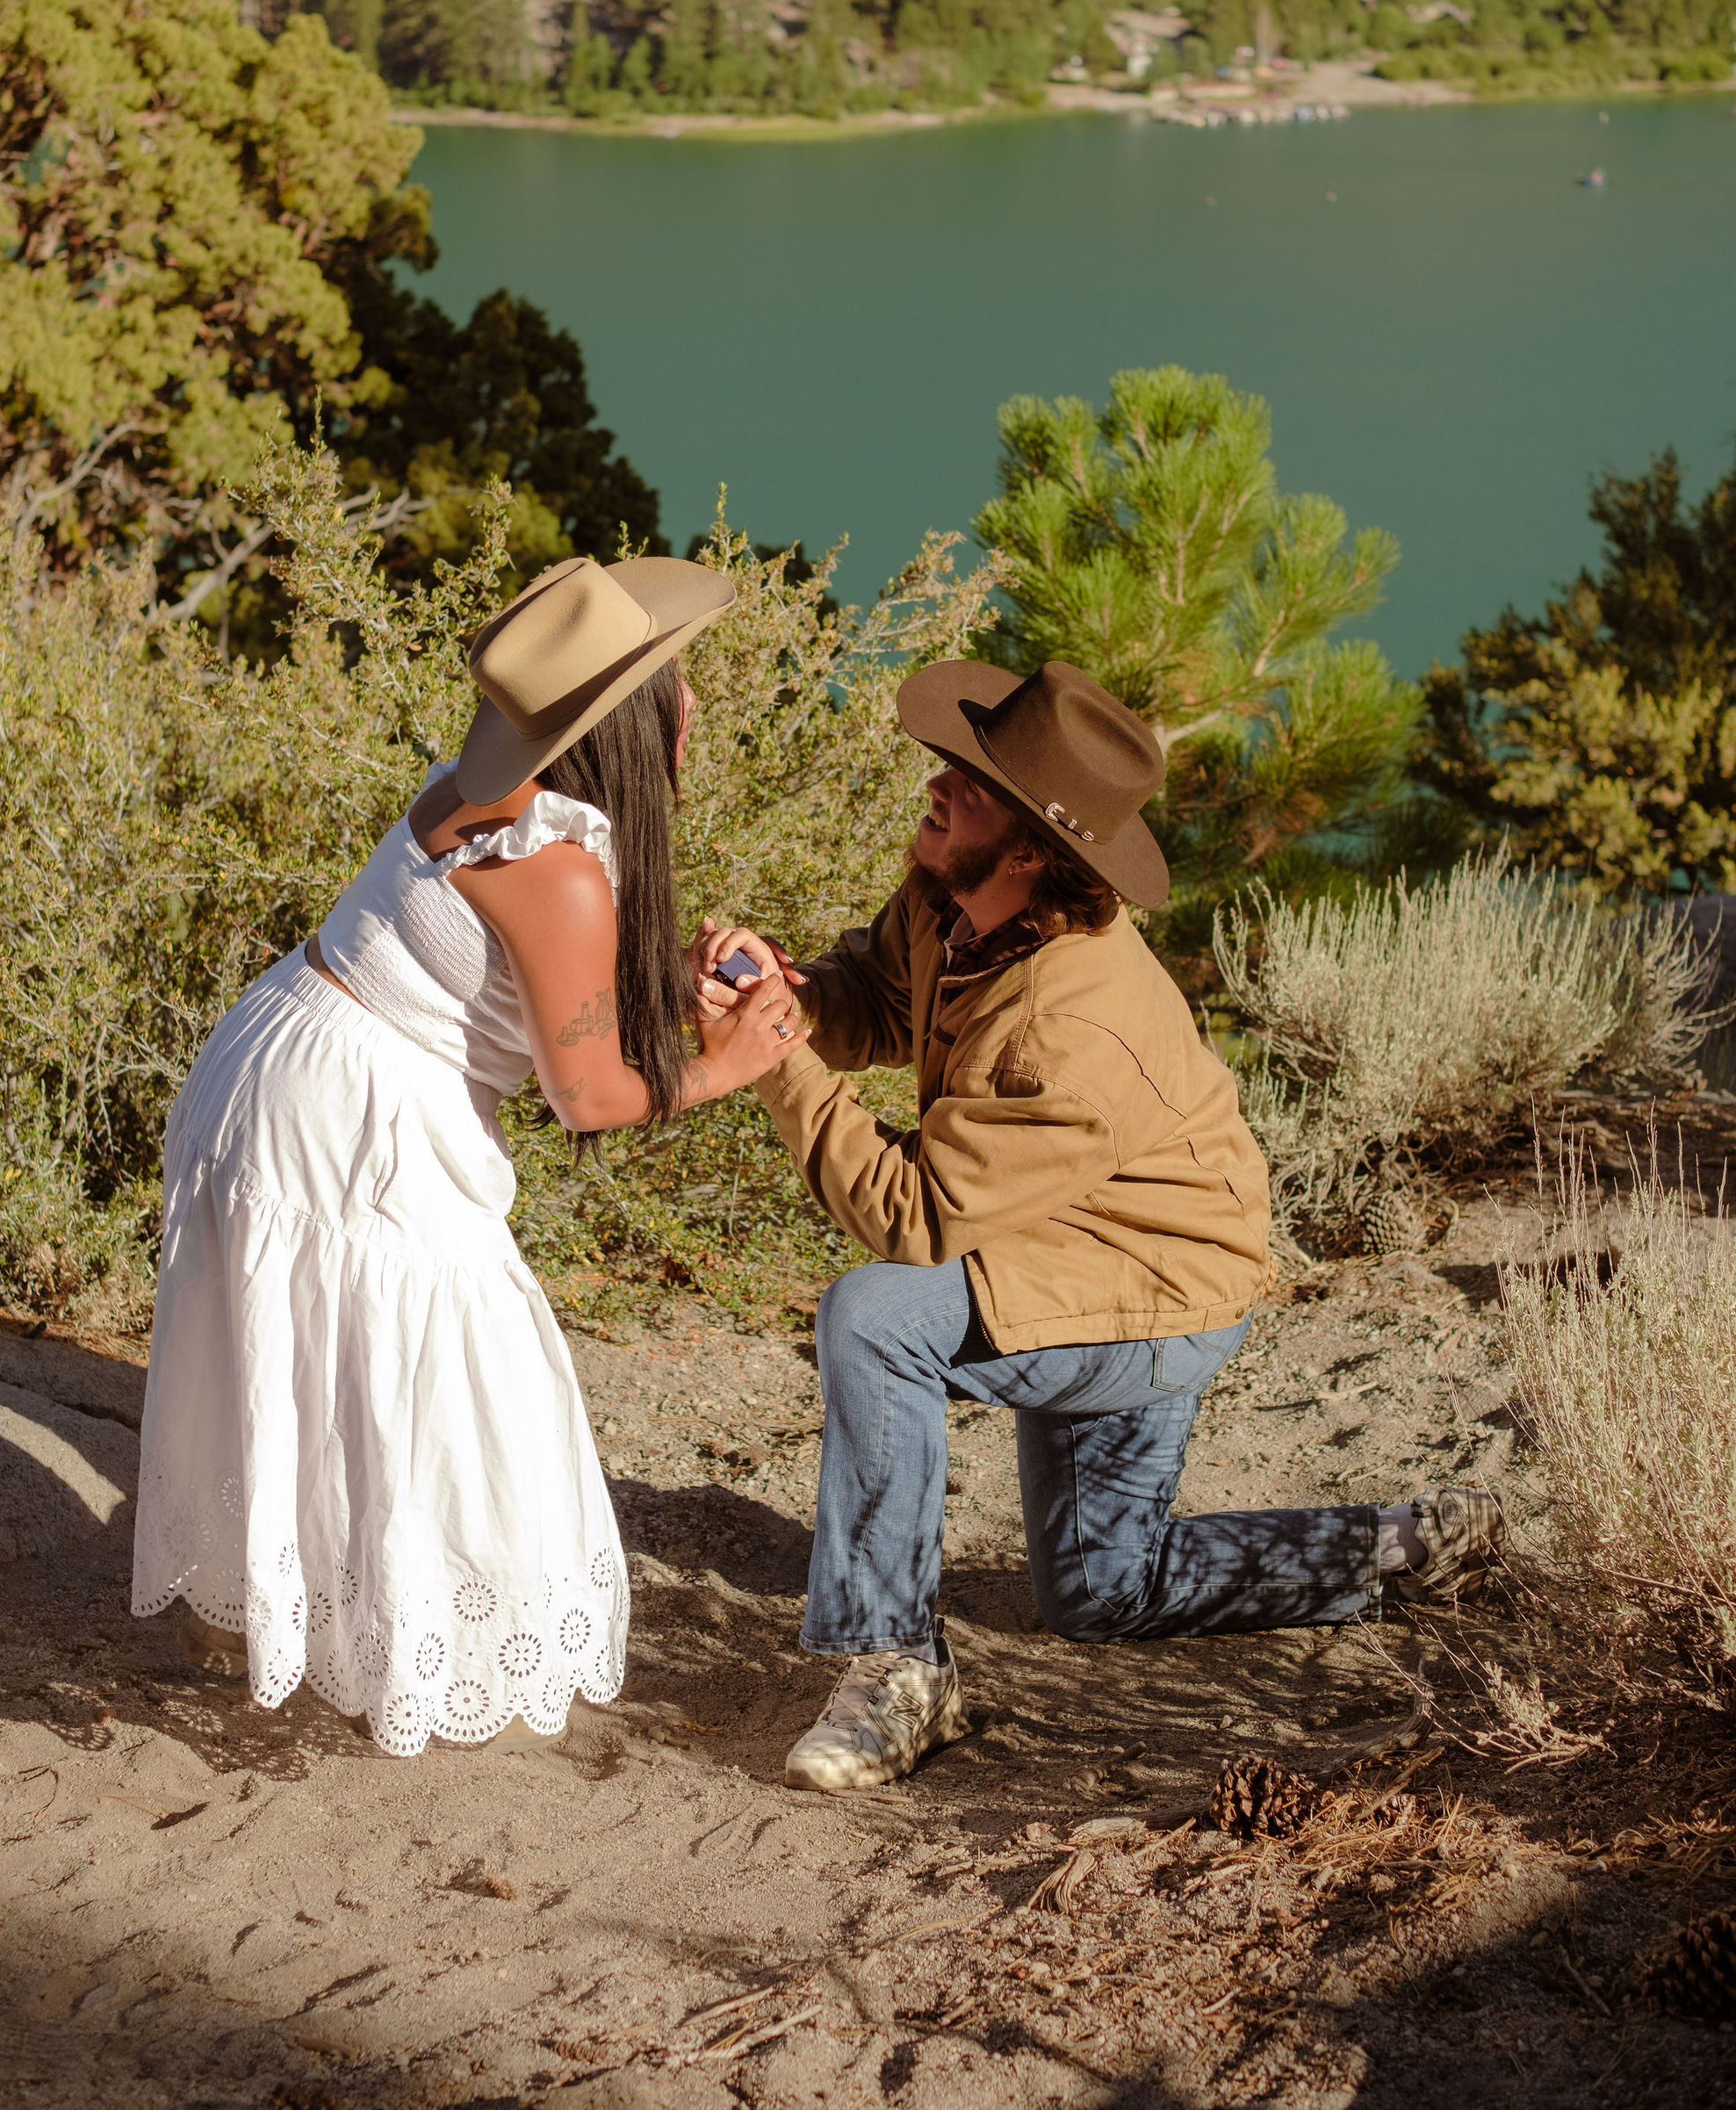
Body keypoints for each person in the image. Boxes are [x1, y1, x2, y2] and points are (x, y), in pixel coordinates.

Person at [695, 657, 1502, 1795]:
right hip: (1051, 1235)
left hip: (1163, 1284)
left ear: (1031, 848)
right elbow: (879, 997)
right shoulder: (950, 892)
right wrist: (783, 998)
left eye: (967, 786)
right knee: (1104, 1592)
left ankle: (900, 1670)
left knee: (877, 1316)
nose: (936, 789)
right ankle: (1399, 1545)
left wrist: (773, 1063)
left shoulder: (1078, 1026)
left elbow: (914, 1216)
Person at [133, 554, 804, 1757]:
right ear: (633, 720)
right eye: (676, 682)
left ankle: (275, 1606)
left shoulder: (477, 794)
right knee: (446, 1372)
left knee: (319, 1351)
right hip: (357, 1115)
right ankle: (417, 1655)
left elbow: (534, 993)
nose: (693, 702)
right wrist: (737, 1058)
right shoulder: (560, 876)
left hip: (285, 1043)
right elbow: (590, 1094)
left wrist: (672, 999)